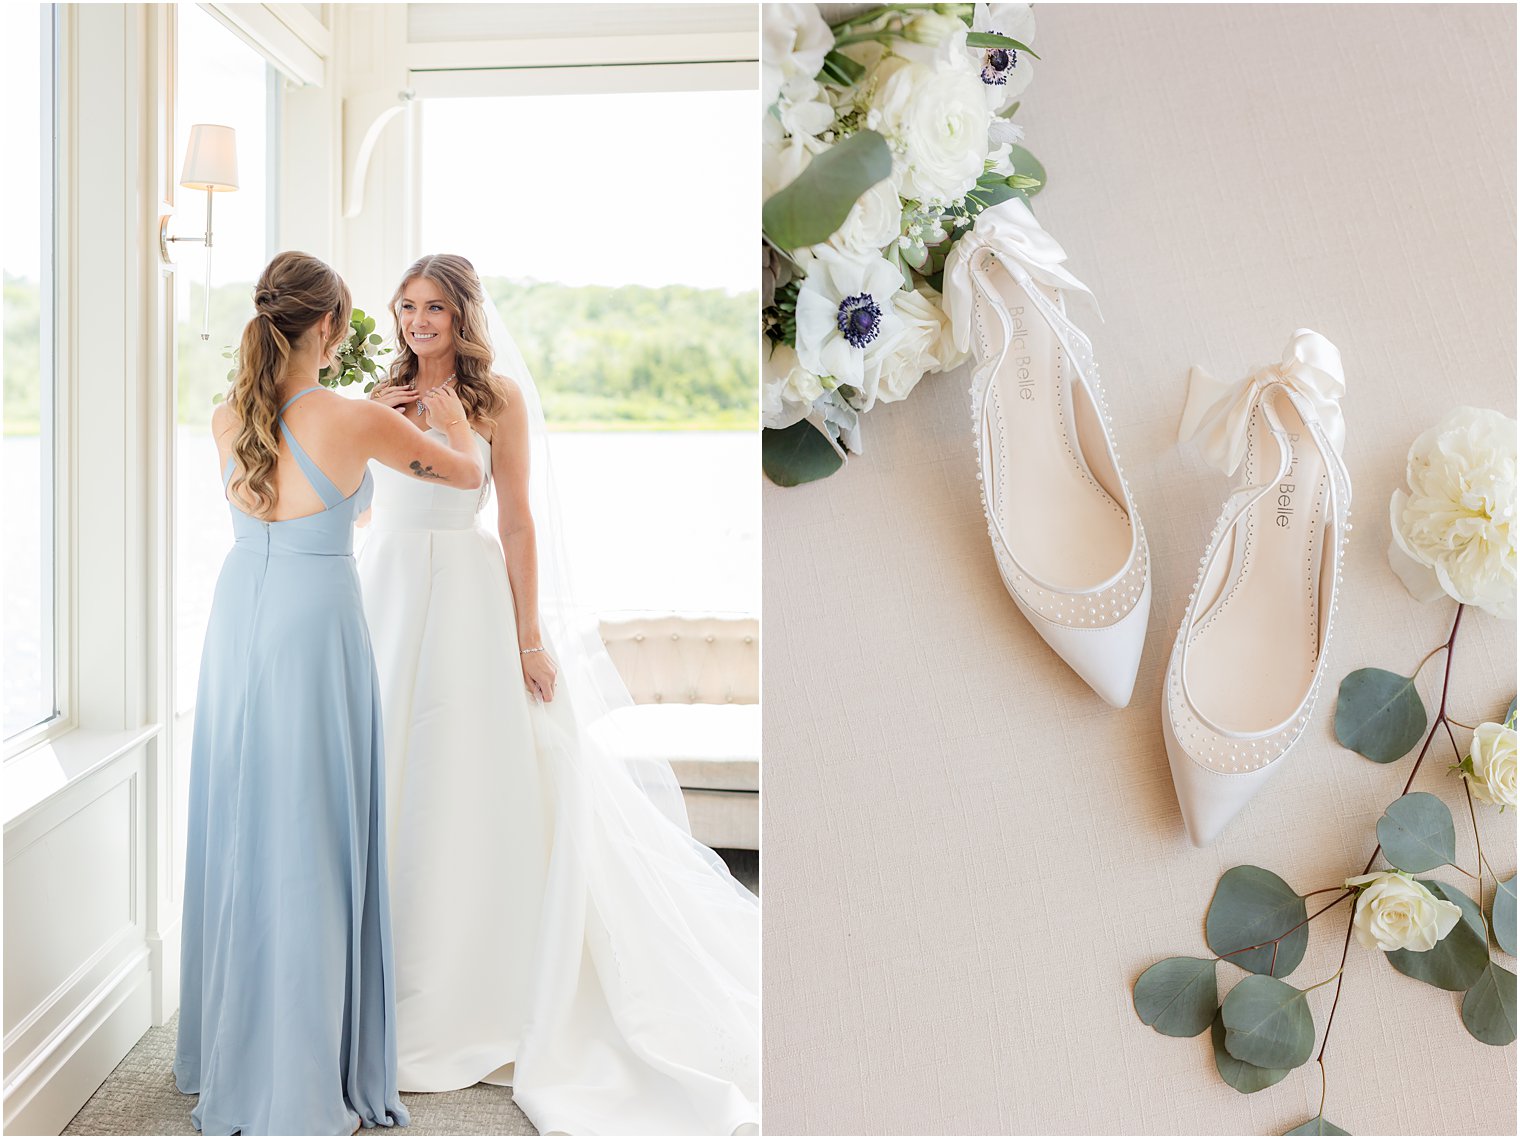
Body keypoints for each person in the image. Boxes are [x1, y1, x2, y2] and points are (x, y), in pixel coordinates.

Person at [358, 253, 760, 1134]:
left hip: (464, 595)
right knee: (384, 769)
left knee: (466, 775)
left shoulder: (495, 397)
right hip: (383, 587)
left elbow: (516, 519)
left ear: (464, 316)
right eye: (408, 306)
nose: (418, 321)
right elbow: (358, 498)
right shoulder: (376, 391)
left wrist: (530, 636)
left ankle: (477, 976)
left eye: (434, 308)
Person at [174, 250, 481, 1136]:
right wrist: (453, 422)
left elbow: (291, 503)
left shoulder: (229, 415)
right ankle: (307, 1064)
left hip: (240, 620)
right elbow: (464, 478)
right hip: (315, 628)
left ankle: (230, 1046)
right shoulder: (355, 420)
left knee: (244, 814)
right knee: (311, 826)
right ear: (330, 330)